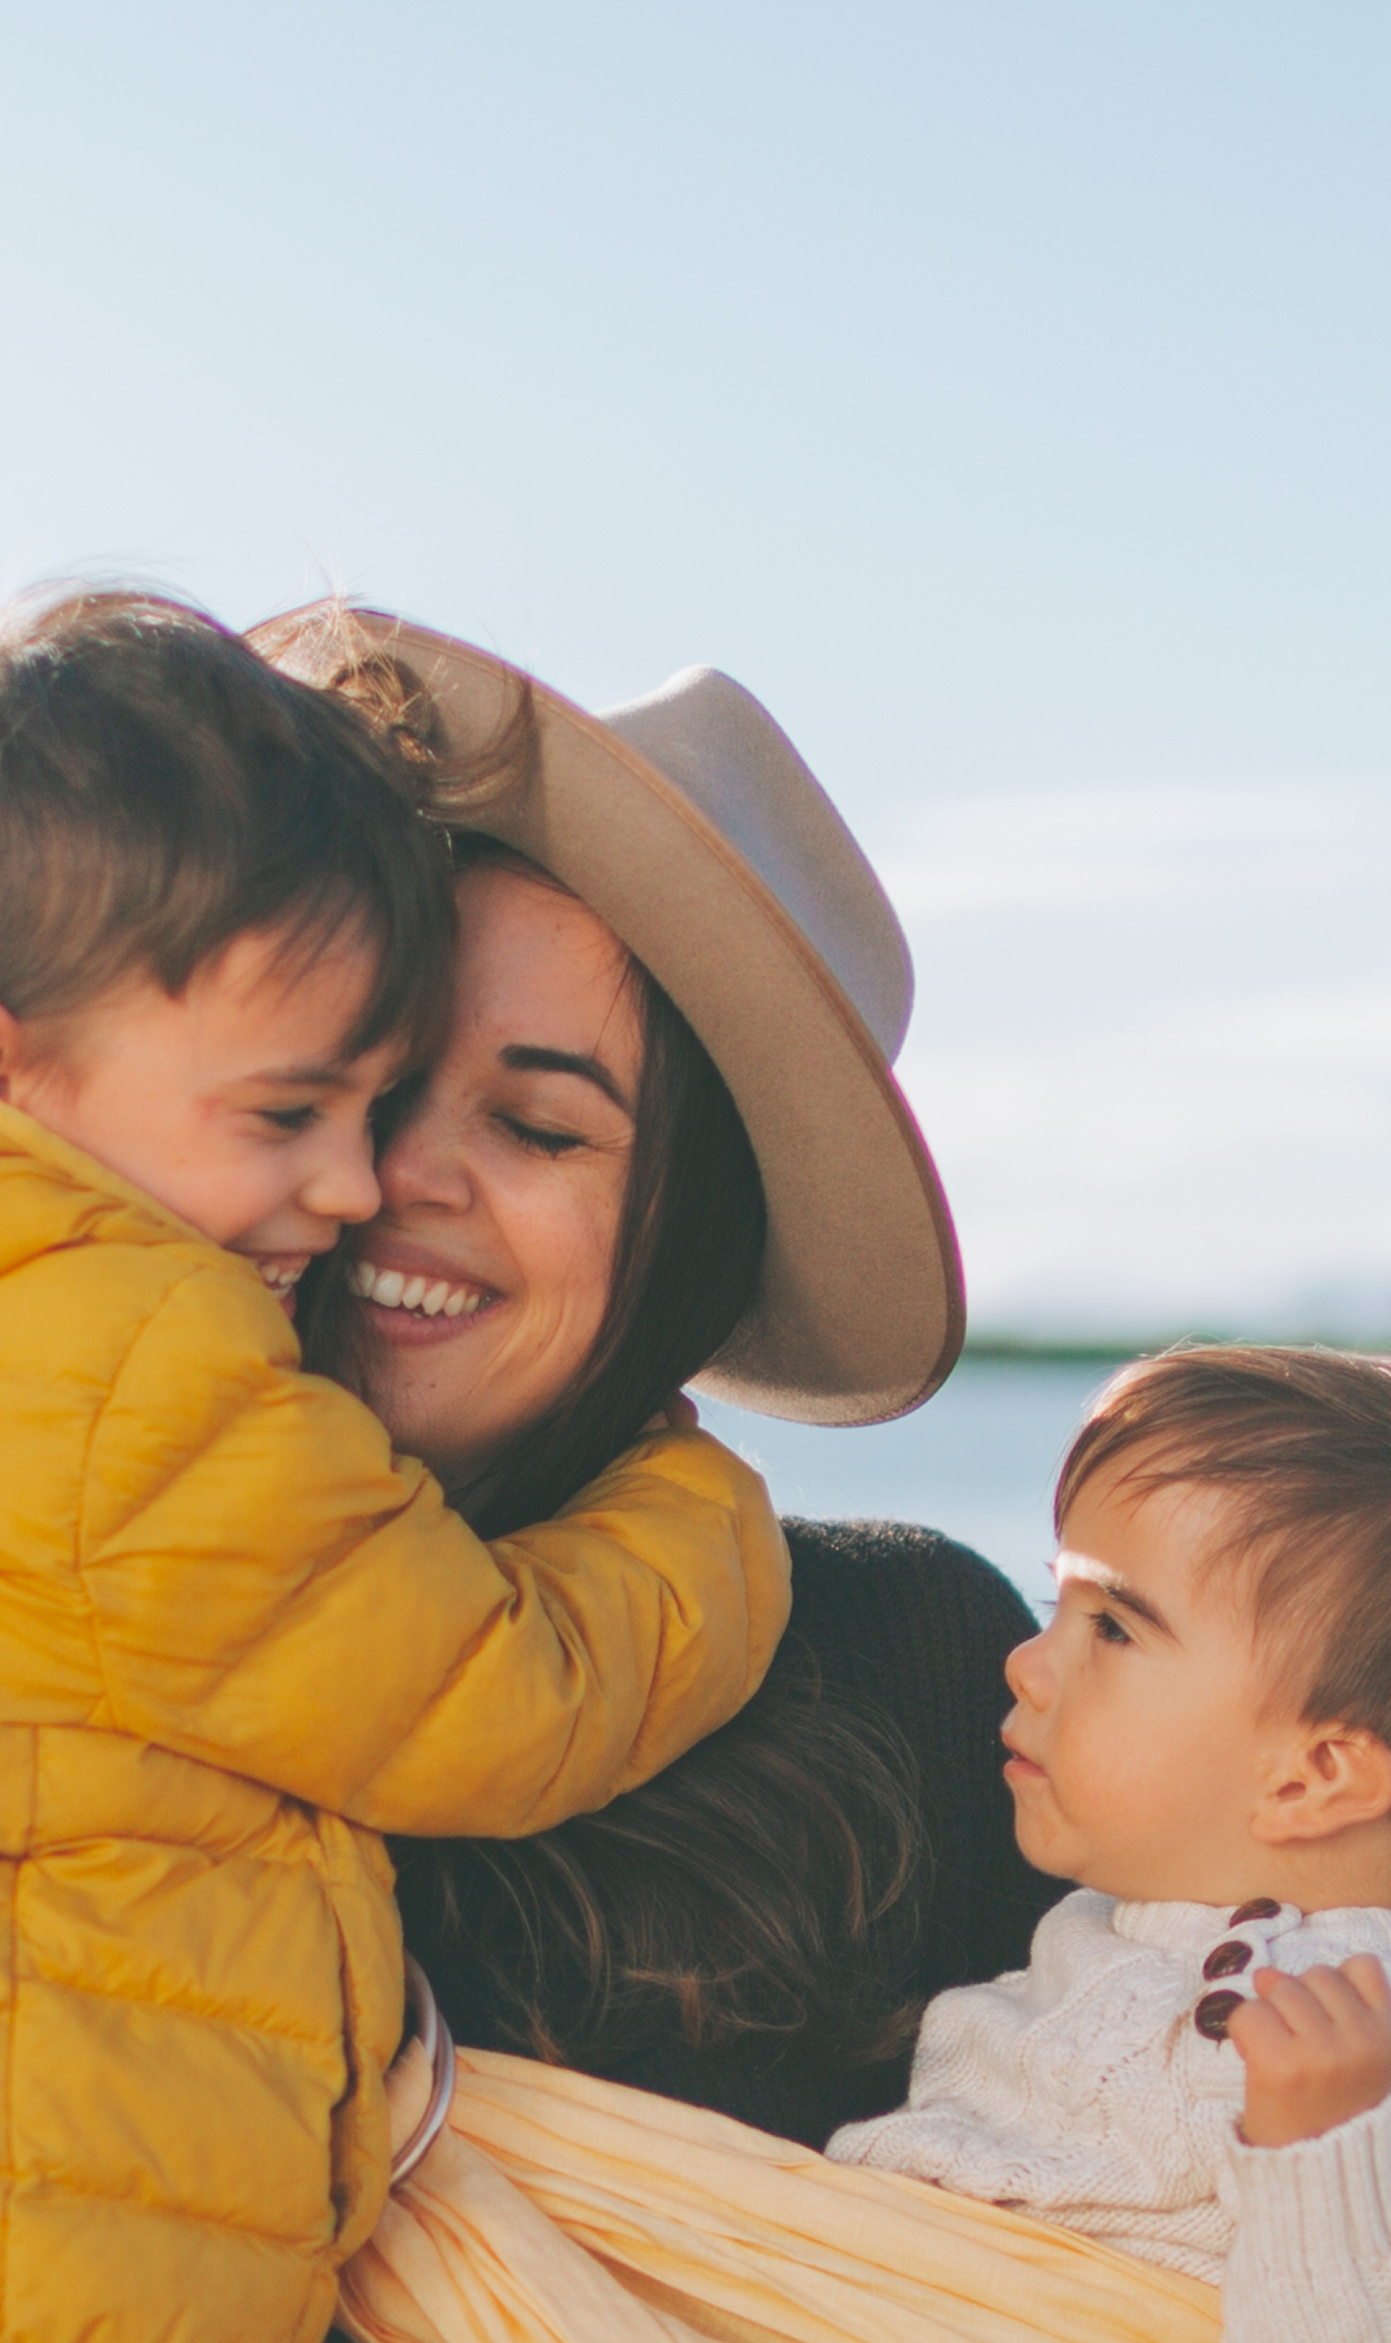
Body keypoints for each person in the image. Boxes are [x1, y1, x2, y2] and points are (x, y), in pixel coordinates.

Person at [0, 589, 795, 2343]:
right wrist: (701, 1518)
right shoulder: (125, 1377)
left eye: (533, 1122)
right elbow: (502, 1693)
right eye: (295, 1112)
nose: (358, 1184)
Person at [248, 604, 1060, 2152]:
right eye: (378, 1075)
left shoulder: (908, 1665)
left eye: (541, 1127)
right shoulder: (26, 1603)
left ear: (688, 1241)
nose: (397, 1172)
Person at [821, 1345, 1391, 2341]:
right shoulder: (1112, 1925)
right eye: (1061, 1607)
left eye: (1115, 1629)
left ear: (1311, 1779)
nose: (1026, 1663)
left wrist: (1325, 2153)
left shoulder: (1386, 2048)